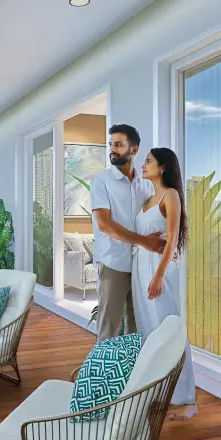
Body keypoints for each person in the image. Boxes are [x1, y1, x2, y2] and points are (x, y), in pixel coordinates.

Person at [131, 147, 197, 420]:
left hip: (160, 270)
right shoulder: (148, 198)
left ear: (163, 167)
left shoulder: (171, 196)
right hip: (141, 267)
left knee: (169, 329)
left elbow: (171, 238)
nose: (143, 164)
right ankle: (159, 393)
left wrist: (158, 275)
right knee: (150, 331)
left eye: (148, 161)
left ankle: (186, 400)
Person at [89, 124, 165, 341]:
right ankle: (101, 374)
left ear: (134, 150)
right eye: (111, 144)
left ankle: (131, 374)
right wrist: (144, 241)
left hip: (141, 266)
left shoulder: (146, 185)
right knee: (108, 329)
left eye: (119, 145)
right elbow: (104, 224)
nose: (112, 149)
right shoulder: (101, 181)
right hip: (113, 263)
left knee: (137, 327)